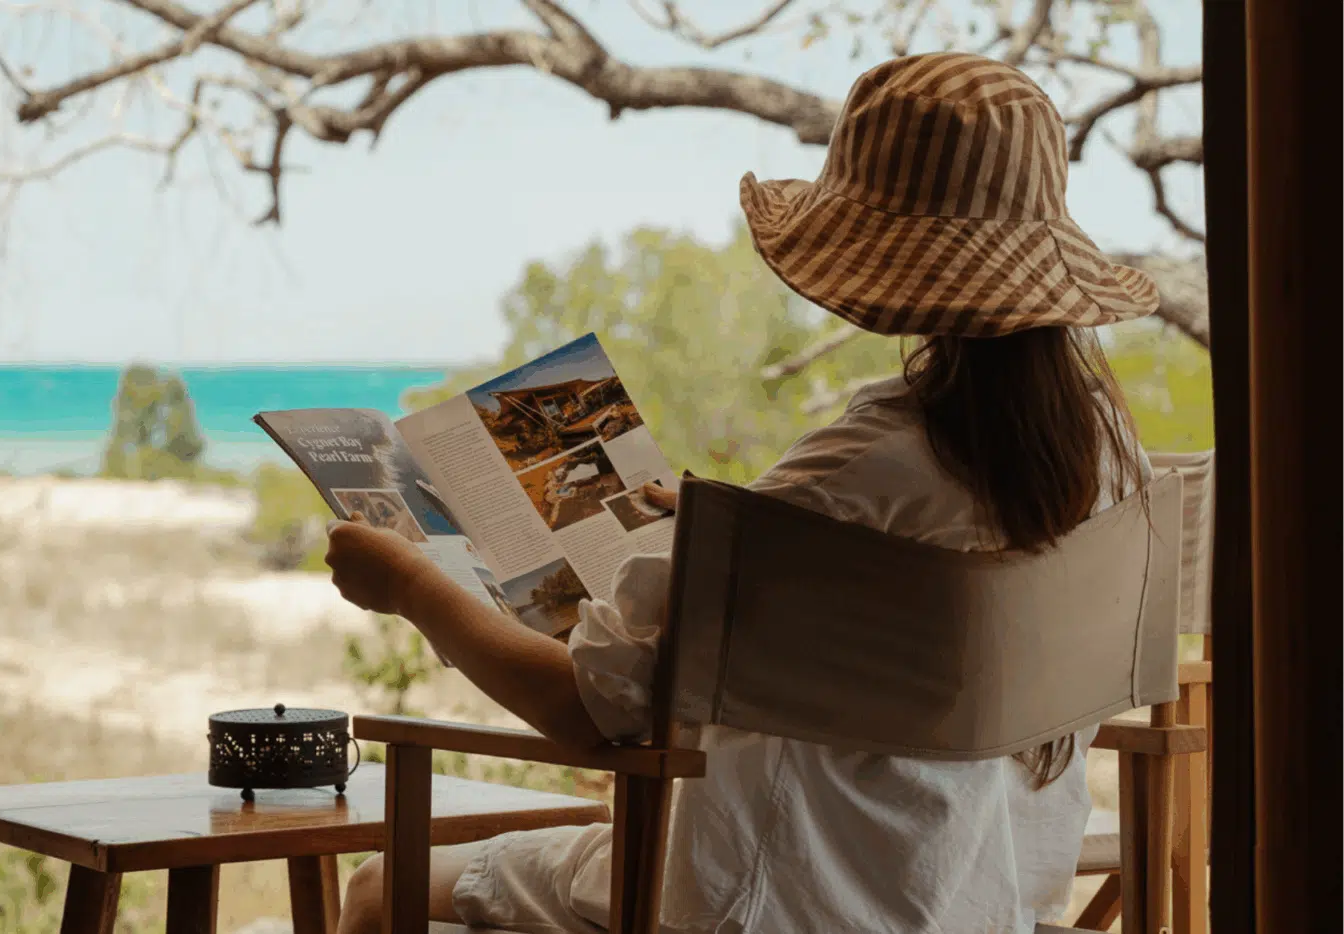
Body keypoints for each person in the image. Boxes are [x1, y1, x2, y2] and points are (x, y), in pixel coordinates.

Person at [323, 51, 1158, 934]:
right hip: (969, 891)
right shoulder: (1105, 458)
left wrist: (413, 586)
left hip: (767, 892)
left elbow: (583, 715)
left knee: (379, 892)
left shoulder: (849, 478)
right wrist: (733, 533)